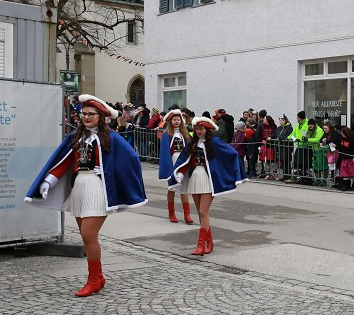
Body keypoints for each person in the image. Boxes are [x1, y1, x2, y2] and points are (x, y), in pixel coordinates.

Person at [25, 95, 147, 296]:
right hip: (79, 188)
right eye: (84, 113)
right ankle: (98, 277)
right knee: (86, 236)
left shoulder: (112, 138)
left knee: (89, 235)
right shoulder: (75, 137)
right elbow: (63, 162)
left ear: (101, 116)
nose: (87, 117)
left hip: (98, 188)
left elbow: (131, 158)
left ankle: (94, 278)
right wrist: (48, 180)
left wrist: (108, 172)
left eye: (91, 114)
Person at [170, 116, 242, 255]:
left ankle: (201, 245)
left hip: (208, 179)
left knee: (203, 212)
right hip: (195, 178)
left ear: (207, 129)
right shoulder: (192, 142)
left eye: (201, 129)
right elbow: (184, 159)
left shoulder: (214, 142)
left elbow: (232, 153)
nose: (198, 131)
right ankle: (209, 241)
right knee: (201, 213)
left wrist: (233, 170)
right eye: (196, 129)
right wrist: (179, 174)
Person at [157, 110, 195, 225]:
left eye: (178, 120)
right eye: (174, 119)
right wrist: (168, 167)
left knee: (184, 189)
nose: (177, 121)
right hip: (172, 162)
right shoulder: (166, 135)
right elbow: (165, 152)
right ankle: (171, 213)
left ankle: (187, 214)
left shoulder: (185, 134)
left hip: (183, 163)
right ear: (170, 121)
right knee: (172, 188)